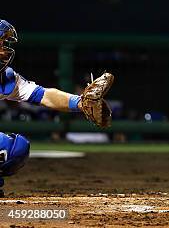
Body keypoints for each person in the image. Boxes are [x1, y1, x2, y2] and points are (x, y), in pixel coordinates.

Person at [0, 19, 114, 191]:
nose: (4, 49)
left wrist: (80, 103)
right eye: (0, 43)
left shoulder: (5, 78)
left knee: (16, 149)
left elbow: (44, 95)